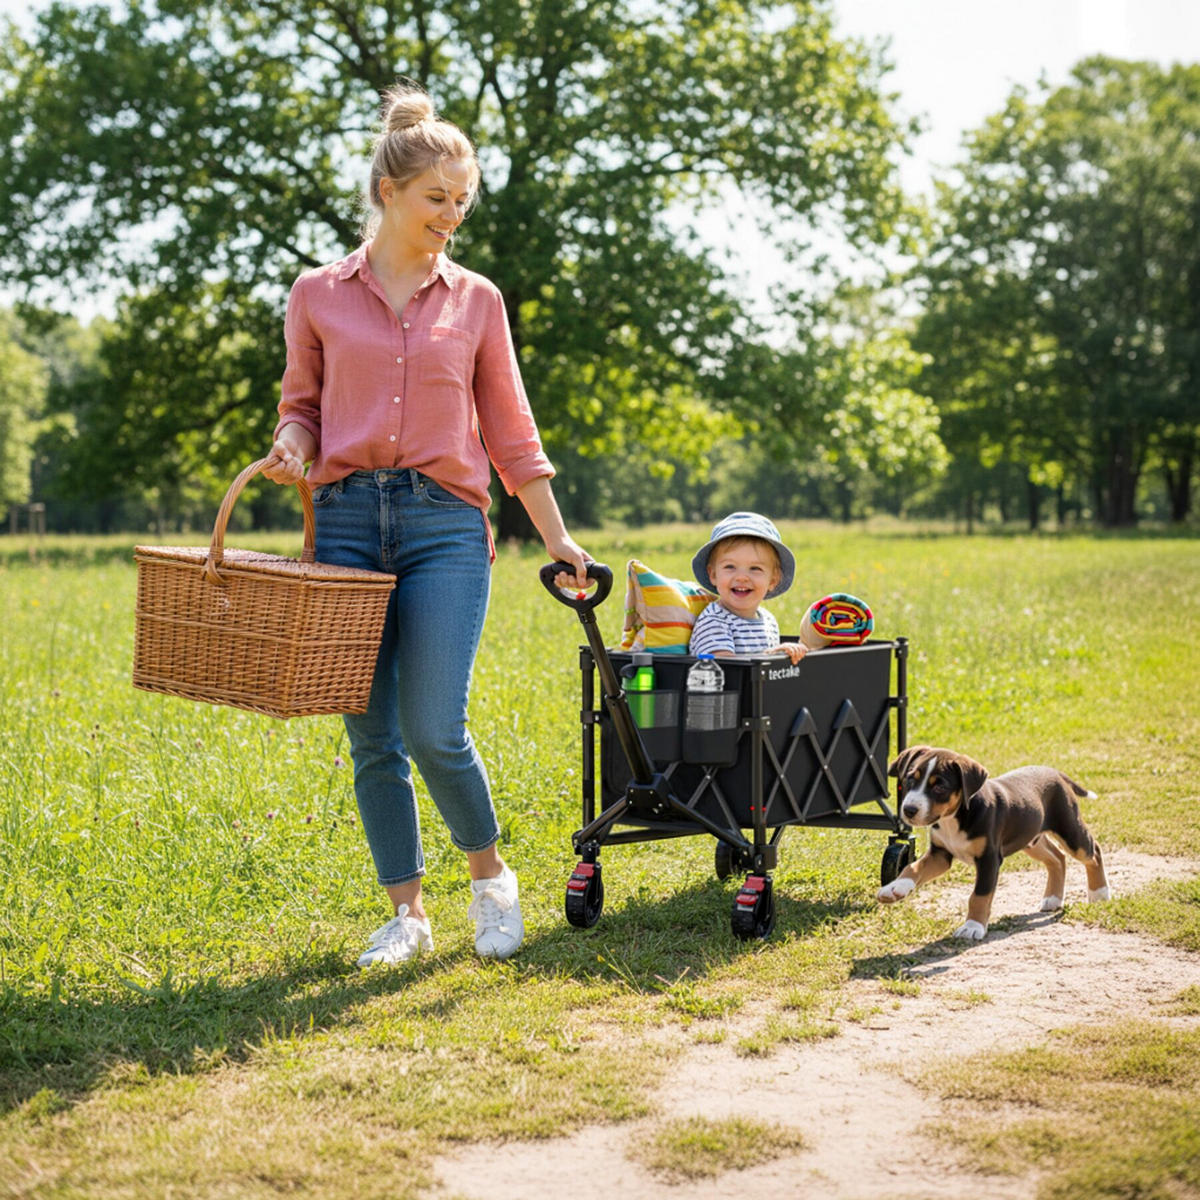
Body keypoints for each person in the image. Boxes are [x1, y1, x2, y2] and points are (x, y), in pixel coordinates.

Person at [262, 82, 590, 967]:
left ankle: (491, 880)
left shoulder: (477, 300)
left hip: (445, 523)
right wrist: (293, 441)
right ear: (389, 193)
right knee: (370, 730)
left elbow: (511, 429)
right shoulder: (317, 294)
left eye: (462, 201)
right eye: (437, 198)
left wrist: (556, 535)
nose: (452, 215)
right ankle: (406, 914)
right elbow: (301, 407)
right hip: (344, 525)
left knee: (434, 724)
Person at [688, 512, 806, 664]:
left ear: (773, 580)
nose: (742, 577)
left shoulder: (769, 621)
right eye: (730, 567)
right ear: (713, 575)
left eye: (755, 568)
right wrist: (772, 656)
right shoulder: (715, 621)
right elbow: (725, 670)